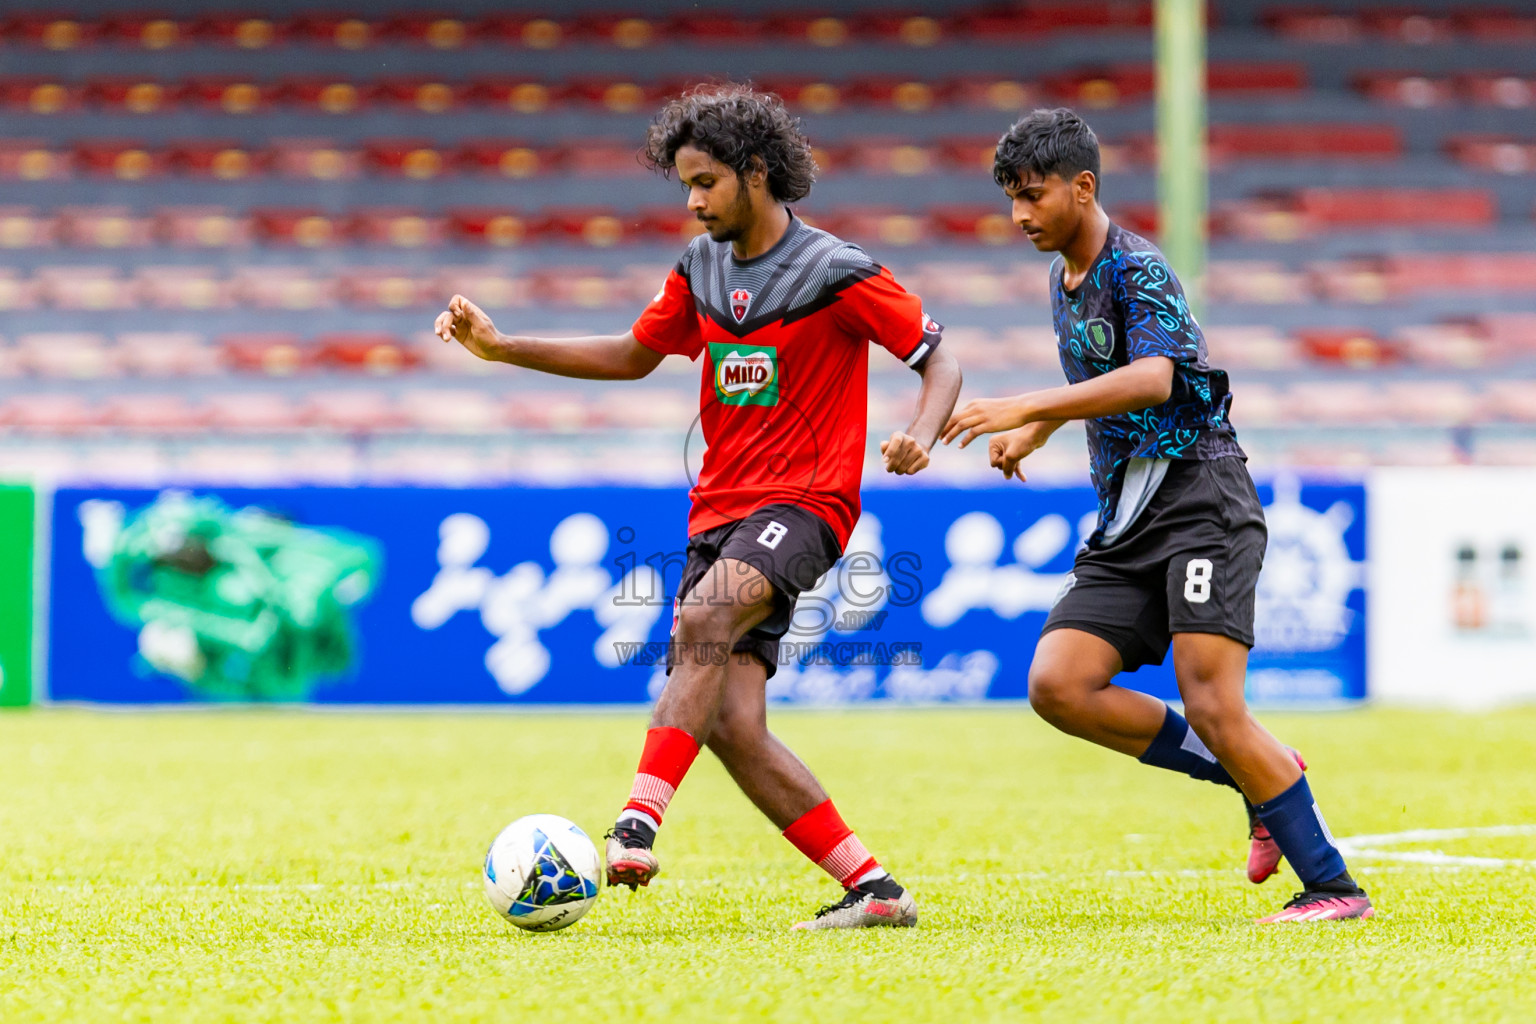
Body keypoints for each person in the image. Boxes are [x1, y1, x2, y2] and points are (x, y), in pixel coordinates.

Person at [435, 84, 962, 930]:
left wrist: (921, 432)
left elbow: (938, 359)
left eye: (706, 180)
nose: (692, 199)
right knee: (730, 724)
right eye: (685, 182)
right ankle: (874, 890)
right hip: (716, 512)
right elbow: (631, 354)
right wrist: (501, 350)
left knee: (702, 624)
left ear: (757, 173)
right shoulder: (699, 267)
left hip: (808, 504)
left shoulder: (838, 272)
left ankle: (636, 822)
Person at [940, 108, 1372, 923]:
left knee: (1212, 703)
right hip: (1128, 519)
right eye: (1011, 199)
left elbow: (1156, 378)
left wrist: (1026, 402)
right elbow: (1105, 384)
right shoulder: (1062, 277)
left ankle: (1333, 887)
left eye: (1032, 196)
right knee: (1059, 684)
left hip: (1202, 500)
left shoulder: (1136, 266)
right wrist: (1037, 427)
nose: (1019, 216)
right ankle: (1256, 772)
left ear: (1084, 186)